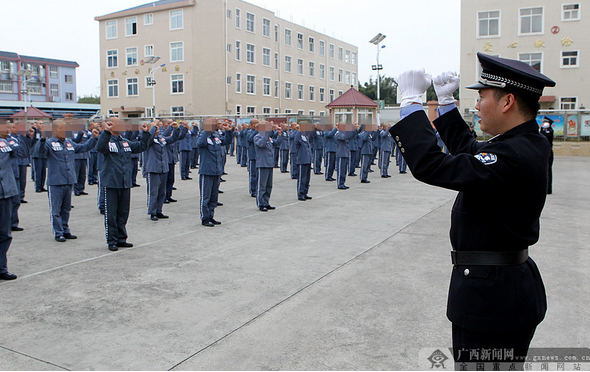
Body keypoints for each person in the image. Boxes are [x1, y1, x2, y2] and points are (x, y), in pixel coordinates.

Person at [390, 52, 555, 368]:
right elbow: (472, 154)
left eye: (481, 97)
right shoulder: (525, 143)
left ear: (506, 102)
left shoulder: (513, 155)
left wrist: (411, 103)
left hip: (491, 299)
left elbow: (432, 166)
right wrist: (446, 106)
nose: (477, 105)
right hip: (502, 290)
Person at [35, 120, 99, 242]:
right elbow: (40, 152)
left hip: (68, 179)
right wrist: (42, 138)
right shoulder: (49, 143)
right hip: (55, 181)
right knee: (56, 210)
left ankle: (65, 229)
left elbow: (83, 148)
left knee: (66, 208)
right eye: (61, 128)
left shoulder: (69, 143)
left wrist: (94, 139)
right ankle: (58, 232)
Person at [96, 118, 151, 251]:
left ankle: (121, 238)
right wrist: (106, 132)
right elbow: (100, 148)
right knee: (111, 214)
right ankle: (112, 240)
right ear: (110, 125)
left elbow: (141, 147)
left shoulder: (124, 142)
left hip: (124, 182)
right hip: (111, 182)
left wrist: (145, 133)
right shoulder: (106, 140)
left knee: (123, 213)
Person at [0, 121, 27, 280]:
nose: (7, 129)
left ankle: (2, 267)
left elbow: (22, 153)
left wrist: (18, 137)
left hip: (6, 191)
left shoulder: (7, 142)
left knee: (4, 233)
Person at [143, 120, 183, 221]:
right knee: (153, 192)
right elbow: (150, 138)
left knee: (162, 192)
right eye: (154, 127)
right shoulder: (148, 139)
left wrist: (176, 129)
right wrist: (153, 127)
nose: (157, 128)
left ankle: (159, 210)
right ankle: (152, 212)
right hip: (153, 169)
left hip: (163, 168)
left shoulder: (160, 138)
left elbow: (172, 138)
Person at [197, 118, 233, 227]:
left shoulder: (216, 136)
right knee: (206, 197)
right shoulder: (203, 135)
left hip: (216, 171)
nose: (215, 125)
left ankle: (211, 216)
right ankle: (205, 218)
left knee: (214, 197)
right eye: (212, 124)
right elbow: (200, 143)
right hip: (207, 171)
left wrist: (229, 132)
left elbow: (226, 141)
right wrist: (206, 130)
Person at [254, 120, 277, 211]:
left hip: (269, 163)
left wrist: (280, 134)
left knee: (269, 185)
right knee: (262, 186)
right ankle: (261, 203)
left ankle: (266, 202)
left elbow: (276, 143)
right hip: (262, 164)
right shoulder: (257, 137)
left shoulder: (268, 137)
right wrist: (267, 134)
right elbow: (261, 144)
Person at [334, 123, 360, 190]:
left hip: (345, 153)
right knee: (341, 170)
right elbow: (345, 137)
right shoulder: (338, 133)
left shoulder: (344, 133)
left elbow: (352, 136)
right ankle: (340, 184)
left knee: (344, 170)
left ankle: (343, 183)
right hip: (341, 154)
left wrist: (354, 130)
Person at [294, 120, 313, 200]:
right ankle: (300, 193)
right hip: (302, 160)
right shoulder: (298, 135)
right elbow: (296, 141)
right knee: (302, 178)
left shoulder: (305, 135)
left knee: (307, 178)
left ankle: (305, 192)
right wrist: (298, 129)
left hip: (307, 159)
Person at [540, 117, 554, 194]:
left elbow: (543, 136)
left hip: (548, 152)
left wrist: (543, 129)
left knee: (548, 170)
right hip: (544, 151)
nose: (544, 123)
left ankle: (549, 188)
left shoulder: (550, 131)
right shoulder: (544, 130)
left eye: (546, 122)